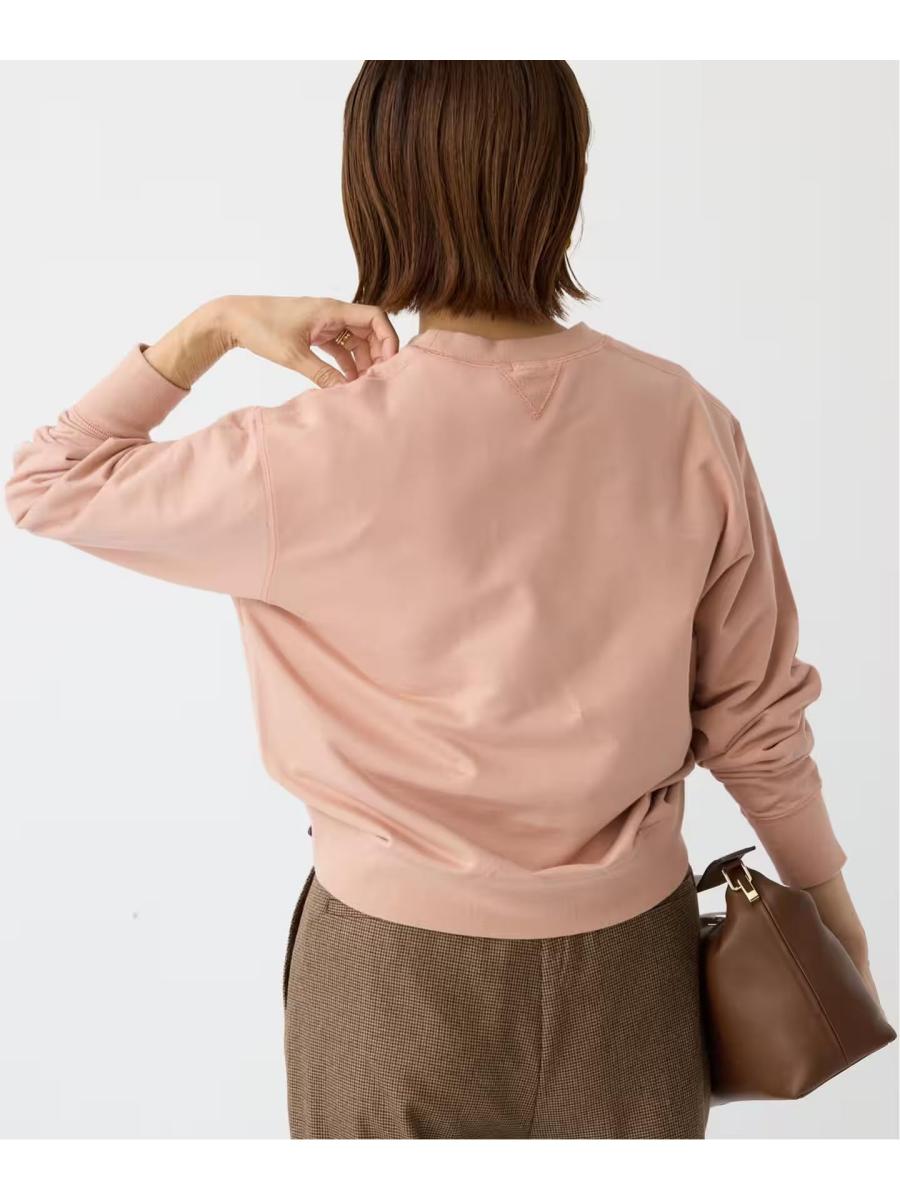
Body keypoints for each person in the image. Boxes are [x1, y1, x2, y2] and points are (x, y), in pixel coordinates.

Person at [4, 60, 880, 1139]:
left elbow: (47, 483)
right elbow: (753, 717)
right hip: (634, 980)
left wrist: (214, 326)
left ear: (375, 191)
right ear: (563, 178)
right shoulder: (685, 421)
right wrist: (828, 910)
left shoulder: (304, 453)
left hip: (389, 976)